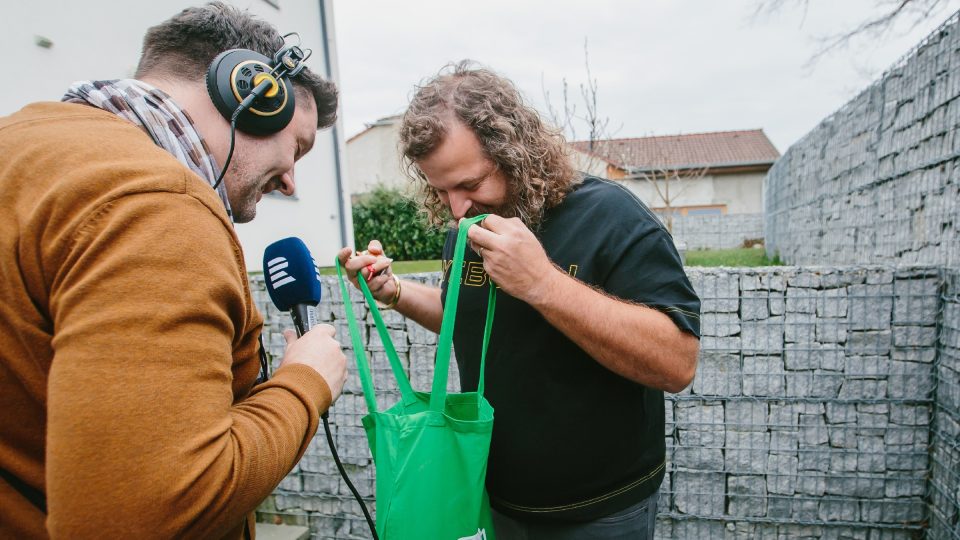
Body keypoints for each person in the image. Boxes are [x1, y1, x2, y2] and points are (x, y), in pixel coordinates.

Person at [0, 3, 348, 538]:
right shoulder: (158, 206)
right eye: (295, 148)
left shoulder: (26, 147)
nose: (291, 182)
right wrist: (305, 384)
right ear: (250, 93)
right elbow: (146, 515)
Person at [338, 61, 701, 539]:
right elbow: (458, 313)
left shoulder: (613, 218)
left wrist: (543, 284)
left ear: (517, 153)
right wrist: (395, 291)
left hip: (599, 510)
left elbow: (677, 363)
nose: (457, 207)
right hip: (491, 496)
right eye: (440, 189)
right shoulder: (468, 225)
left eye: (470, 184)